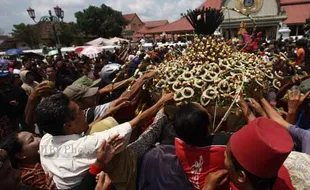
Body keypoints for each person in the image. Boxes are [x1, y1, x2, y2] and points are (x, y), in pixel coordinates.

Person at [35, 91, 173, 189]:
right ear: (68, 125)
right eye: (79, 111)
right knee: (134, 147)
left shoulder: (46, 140)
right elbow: (134, 123)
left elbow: (83, 129)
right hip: (105, 185)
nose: (84, 112)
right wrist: (161, 103)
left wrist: (108, 113)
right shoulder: (85, 147)